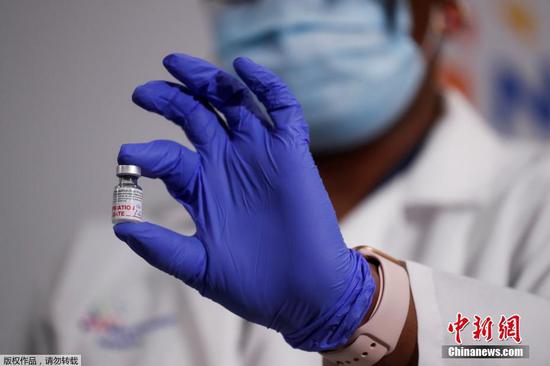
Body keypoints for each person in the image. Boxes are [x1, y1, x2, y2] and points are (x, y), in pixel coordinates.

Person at [34, 0, 550, 365]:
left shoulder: (534, 204)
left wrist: (367, 313)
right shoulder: (99, 261)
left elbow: (532, 347)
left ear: (445, 10)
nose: (287, 13)